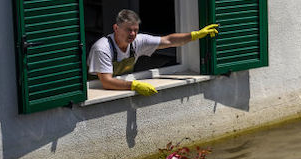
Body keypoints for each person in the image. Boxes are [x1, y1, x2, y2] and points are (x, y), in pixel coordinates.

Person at [87, 9, 219, 95]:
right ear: (116, 28)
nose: (133, 34)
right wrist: (134, 85)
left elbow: (168, 41)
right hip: (95, 90)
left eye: (135, 30)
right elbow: (106, 82)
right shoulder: (102, 48)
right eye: (128, 30)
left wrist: (195, 35)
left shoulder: (138, 41)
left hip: (120, 89)